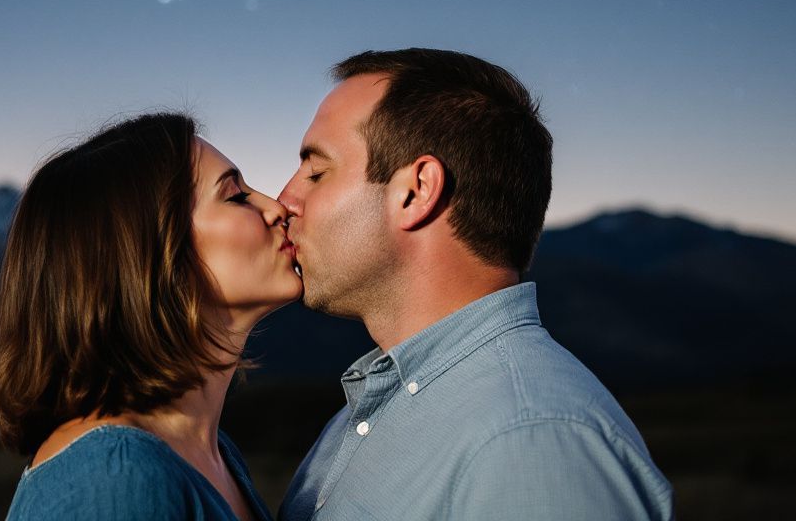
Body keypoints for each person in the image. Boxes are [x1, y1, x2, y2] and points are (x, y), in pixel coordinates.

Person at [277, 48, 673, 520]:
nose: (284, 201)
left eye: (317, 173)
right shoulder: (371, 411)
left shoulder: (529, 441)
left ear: (416, 192)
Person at [0, 113, 301, 520]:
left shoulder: (211, 455)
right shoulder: (114, 479)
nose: (276, 207)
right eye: (235, 196)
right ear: (152, 254)